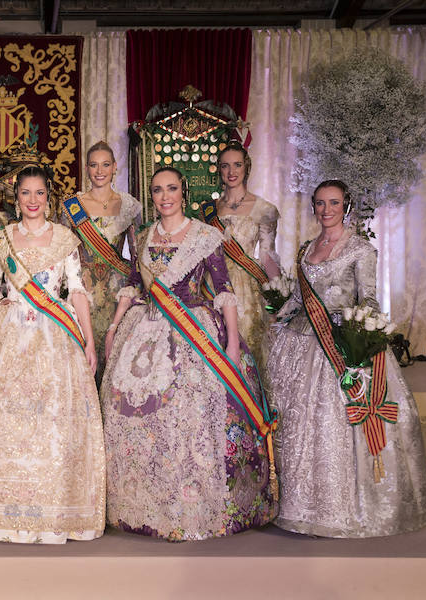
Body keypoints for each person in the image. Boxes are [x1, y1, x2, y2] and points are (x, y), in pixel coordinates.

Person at [101, 166, 277, 541]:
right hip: (145, 331)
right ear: (152, 196)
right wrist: (115, 326)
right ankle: (141, 502)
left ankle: (192, 503)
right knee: (133, 416)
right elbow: (134, 284)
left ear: (184, 192)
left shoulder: (205, 236)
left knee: (191, 416)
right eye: (158, 190)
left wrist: (231, 341)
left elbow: (224, 288)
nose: (165, 196)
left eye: (172, 189)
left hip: (193, 333)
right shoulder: (145, 236)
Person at [266, 180, 426, 538]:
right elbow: (298, 296)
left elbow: (368, 299)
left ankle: (343, 506)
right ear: (313, 207)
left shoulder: (360, 249)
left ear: (346, 206)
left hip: (341, 343)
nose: (327, 210)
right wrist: (279, 316)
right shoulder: (307, 248)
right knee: (299, 423)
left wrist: (357, 334)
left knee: (333, 421)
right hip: (303, 341)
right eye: (321, 203)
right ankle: (298, 501)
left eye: (334, 203)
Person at [0, 165, 106, 544]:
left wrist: (89, 340)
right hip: (7, 337)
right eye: (26, 193)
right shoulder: (2, 239)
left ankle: (56, 505)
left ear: (48, 197)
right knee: (5, 417)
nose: (33, 200)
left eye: (39, 193)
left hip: (56, 337)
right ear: (16, 197)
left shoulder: (65, 239)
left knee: (52, 418)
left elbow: (77, 292)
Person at [61, 141, 141, 381]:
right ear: (86, 168)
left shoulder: (129, 205)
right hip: (82, 292)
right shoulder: (72, 206)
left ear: (115, 167)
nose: (100, 171)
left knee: (115, 359)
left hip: (118, 293)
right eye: (94, 165)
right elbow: (64, 252)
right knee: (82, 359)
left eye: (105, 164)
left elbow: (137, 255)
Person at [205, 141, 280, 365]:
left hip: (247, 290)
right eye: (225, 166)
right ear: (219, 170)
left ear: (246, 167)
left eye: (237, 165)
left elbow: (268, 256)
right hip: (213, 285)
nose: (231, 171)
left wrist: (275, 299)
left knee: (246, 354)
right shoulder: (209, 209)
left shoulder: (264, 209)